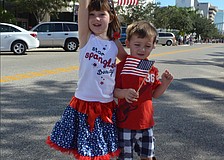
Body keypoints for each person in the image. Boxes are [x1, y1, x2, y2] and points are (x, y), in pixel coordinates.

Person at [46, 0, 126, 159]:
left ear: (110, 17)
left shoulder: (114, 43)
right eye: (92, 15)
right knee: (86, 151)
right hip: (84, 105)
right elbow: (83, 6)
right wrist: (85, 6)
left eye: (101, 14)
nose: (96, 19)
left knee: (101, 150)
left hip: (106, 106)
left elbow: (128, 61)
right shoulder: (86, 38)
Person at [114, 21, 173, 160]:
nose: (142, 49)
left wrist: (165, 83)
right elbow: (111, 90)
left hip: (146, 123)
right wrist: (123, 93)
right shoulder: (122, 67)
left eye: (147, 46)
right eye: (137, 45)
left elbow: (155, 94)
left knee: (148, 156)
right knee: (125, 157)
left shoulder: (151, 69)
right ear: (128, 43)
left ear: (153, 46)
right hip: (125, 123)